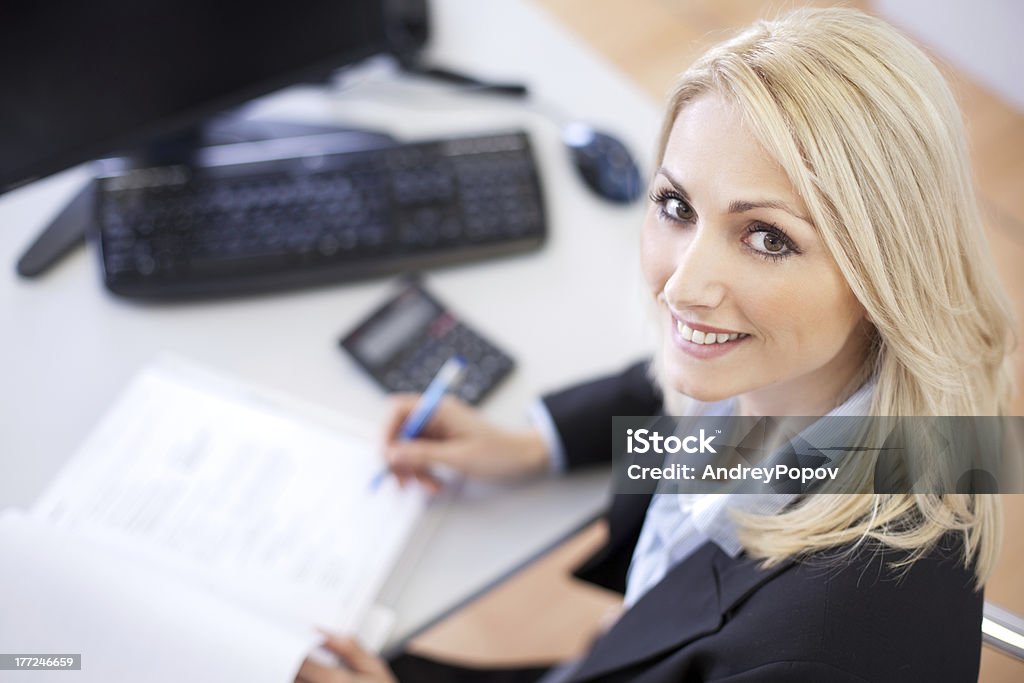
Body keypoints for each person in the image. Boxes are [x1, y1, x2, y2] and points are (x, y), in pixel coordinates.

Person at [295, 7, 1016, 682]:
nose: (682, 285)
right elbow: (685, 395)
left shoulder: (814, 652)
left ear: (884, 271)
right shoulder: (823, 377)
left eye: (766, 237)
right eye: (677, 206)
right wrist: (533, 445)